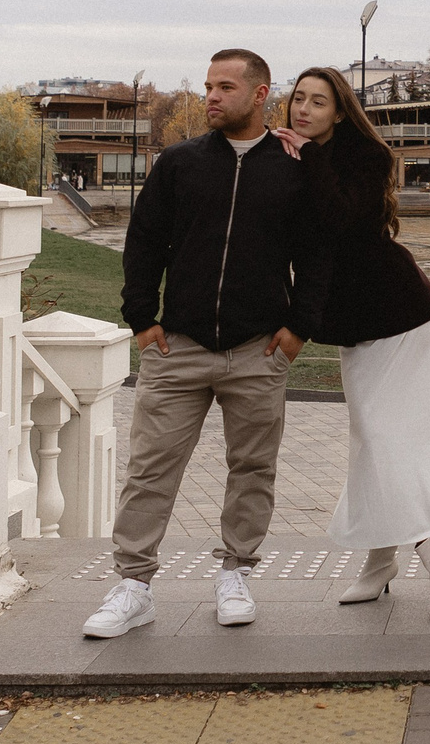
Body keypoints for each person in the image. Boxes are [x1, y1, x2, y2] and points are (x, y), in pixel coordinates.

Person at [82, 49, 326, 639]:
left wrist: (296, 331)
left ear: (260, 94)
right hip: (179, 347)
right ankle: (134, 586)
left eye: (225, 87)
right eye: (209, 87)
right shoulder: (180, 163)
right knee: (150, 469)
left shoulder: (295, 168)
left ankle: (235, 573)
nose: (211, 97)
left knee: (252, 468)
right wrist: (142, 320)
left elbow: (317, 258)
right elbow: (144, 244)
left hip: (259, 349)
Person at [277, 67, 430, 620]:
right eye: (299, 100)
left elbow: (340, 221)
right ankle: (380, 563)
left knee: (387, 439)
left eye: (319, 102)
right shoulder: (291, 157)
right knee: (372, 438)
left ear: (340, 112)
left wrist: (306, 160)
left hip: (401, 314)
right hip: (355, 323)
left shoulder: (367, 158)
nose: (304, 110)